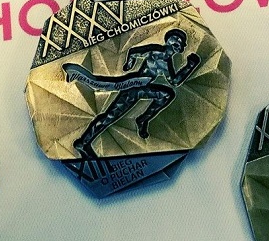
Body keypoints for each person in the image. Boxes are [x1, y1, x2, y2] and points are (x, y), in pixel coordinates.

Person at [64, 28, 200, 158]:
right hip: (133, 87)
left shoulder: (166, 63)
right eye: (176, 40)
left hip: (142, 88)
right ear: (169, 41)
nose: (179, 44)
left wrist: (189, 66)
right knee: (109, 115)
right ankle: (83, 142)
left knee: (166, 94)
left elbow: (174, 81)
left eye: (181, 42)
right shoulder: (156, 51)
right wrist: (129, 64)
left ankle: (143, 119)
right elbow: (134, 52)